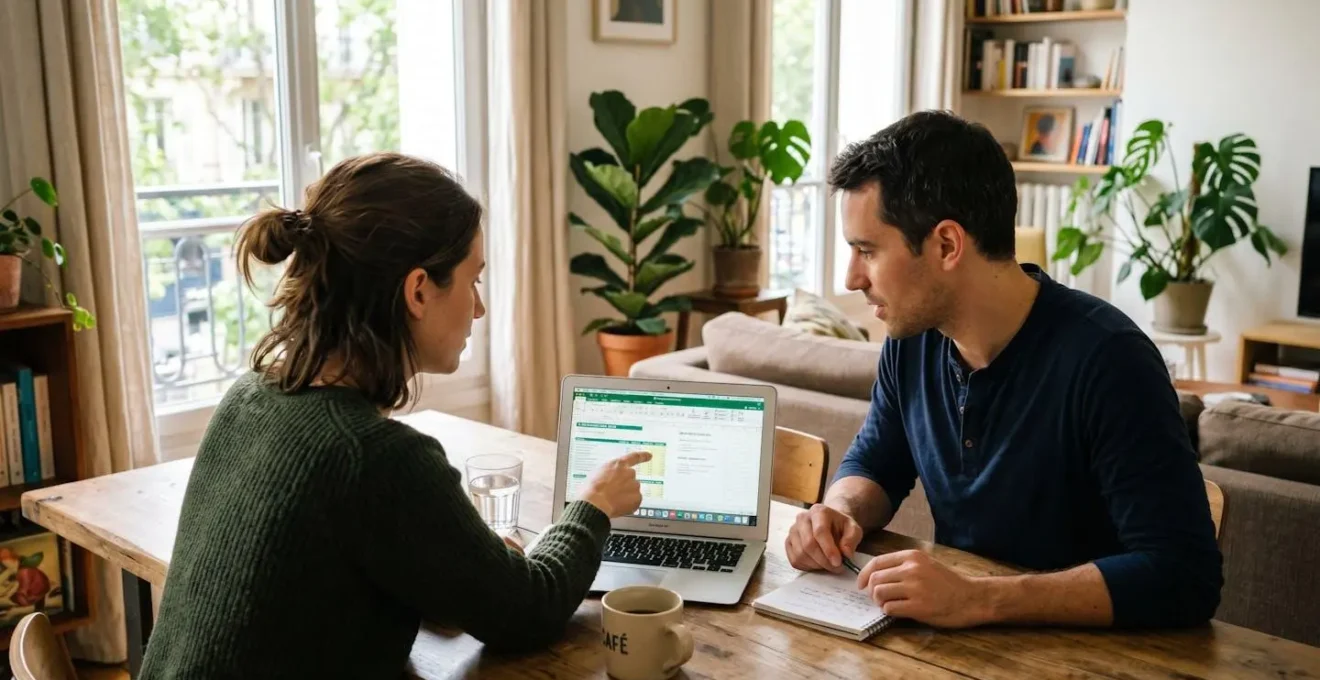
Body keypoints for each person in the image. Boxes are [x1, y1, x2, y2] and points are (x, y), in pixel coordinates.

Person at [140, 152, 650, 678]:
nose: (478, 307)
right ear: (419, 290)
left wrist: (447, 569)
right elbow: (530, 610)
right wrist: (594, 504)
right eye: (473, 280)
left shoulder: (248, 397)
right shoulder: (375, 456)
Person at [784, 111, 1222, 630]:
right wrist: (840, 512)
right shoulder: (912, 340)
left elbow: (1183, 575)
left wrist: (978, 599)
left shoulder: (1110, 360)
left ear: (947, 245)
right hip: (955, 652)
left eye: (867, 251)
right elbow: (877, 461)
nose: (851, 277)